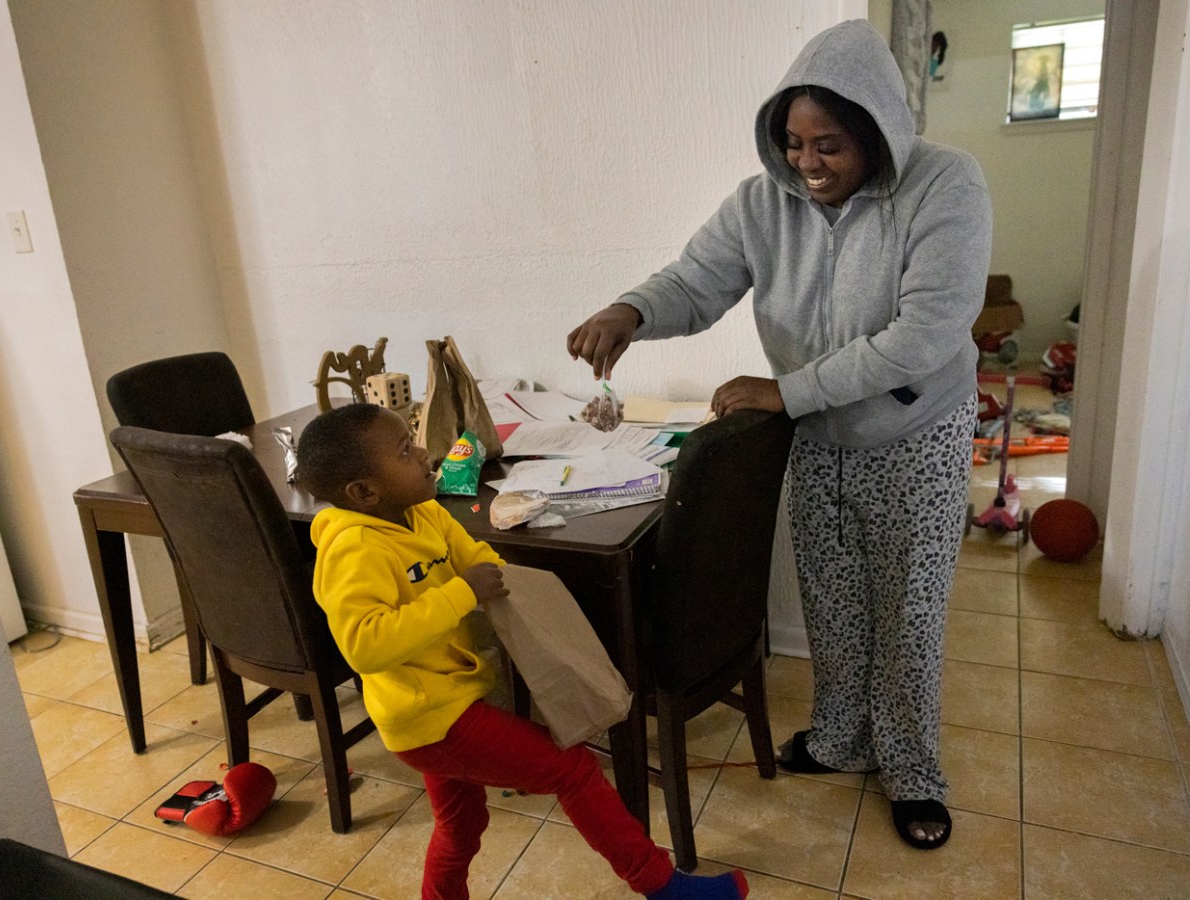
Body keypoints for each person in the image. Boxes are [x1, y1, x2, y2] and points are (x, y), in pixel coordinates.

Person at [566, 19, 991, 851]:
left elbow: (925, 335)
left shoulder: (947, 186)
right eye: (793, 143)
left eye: (827, 144)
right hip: (819, 434)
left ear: (874, 130)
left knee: (905, 611)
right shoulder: (764, 203)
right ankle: (838, 738)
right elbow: (697, 277)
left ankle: (910, 768)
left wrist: (786, 390)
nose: (807, 163)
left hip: (917, 432)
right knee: (833, 597)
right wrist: (634, 310)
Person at [295, 403, 749, 900]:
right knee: (573, 770)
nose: (425, 454)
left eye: (414, 439)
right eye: (406, 451)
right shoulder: (353, 551)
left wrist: (494, 579)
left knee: (462, 823)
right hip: (427, 717)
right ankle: (660, 885)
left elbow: (476, 556)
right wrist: (461, 593)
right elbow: (365, 646)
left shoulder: (423, 512)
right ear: (364, 492)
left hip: (458, 696)